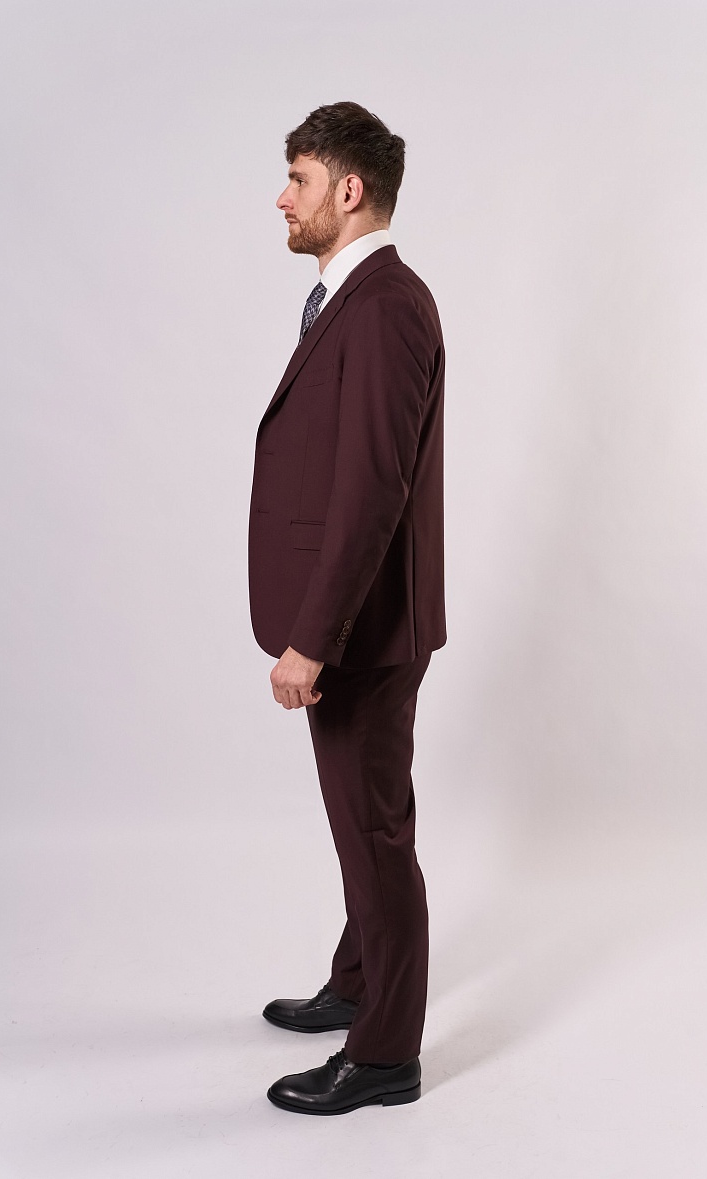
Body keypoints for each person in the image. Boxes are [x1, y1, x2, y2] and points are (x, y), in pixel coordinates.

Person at [247, 101, 446, 1115]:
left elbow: (372, 491)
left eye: (298, 179)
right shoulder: (354, 298)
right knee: (361, 821)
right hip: (355, 624)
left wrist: (310, 641)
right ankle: (359, 980)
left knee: (373, 834)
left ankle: (384, 1054)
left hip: (362, 632)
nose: (282, 199)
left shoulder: (385, 306)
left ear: (349, 189)